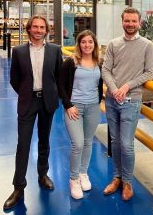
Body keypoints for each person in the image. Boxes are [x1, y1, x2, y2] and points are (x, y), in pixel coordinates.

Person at [4, 15, 62, 210]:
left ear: (46, 30)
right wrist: (25, 93)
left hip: (47, 102)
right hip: (28, 102)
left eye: (42, 27)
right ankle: (18, 187)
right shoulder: (19, 51)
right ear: (29, 29)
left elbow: (59, 76)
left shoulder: (55, 50)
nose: (38, 30)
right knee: (23, 144)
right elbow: (14, 79)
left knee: (44, 140)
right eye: (35, 27)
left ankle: (42, 174)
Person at [101, 7, 153, 201]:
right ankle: (117, 178)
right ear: (122, 22)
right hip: (112, 100)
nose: (130, 24)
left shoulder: (147, 45)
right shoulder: (113, 44)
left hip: (131, 101)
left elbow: (149, 72)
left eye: (134, 21)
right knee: (115, 142)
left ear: (139, 23)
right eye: (127, 21)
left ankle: (128, 182)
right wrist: (114, 89)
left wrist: (126, 86)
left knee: (126, 143)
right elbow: (106, 70)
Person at [58, 30, 103, 199]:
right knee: (77, 144)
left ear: (94, 44)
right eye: (83, 42)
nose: (87, 45)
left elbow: (99, 85)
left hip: (93, 107)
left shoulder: (99, 62)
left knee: (87, 142)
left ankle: (83, 173)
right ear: (79, 44)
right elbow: (61, 85)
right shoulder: (71, 62)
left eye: (90, 42)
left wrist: (98, 103)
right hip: (74, 107)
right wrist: (68, 105)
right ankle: (74, 178)